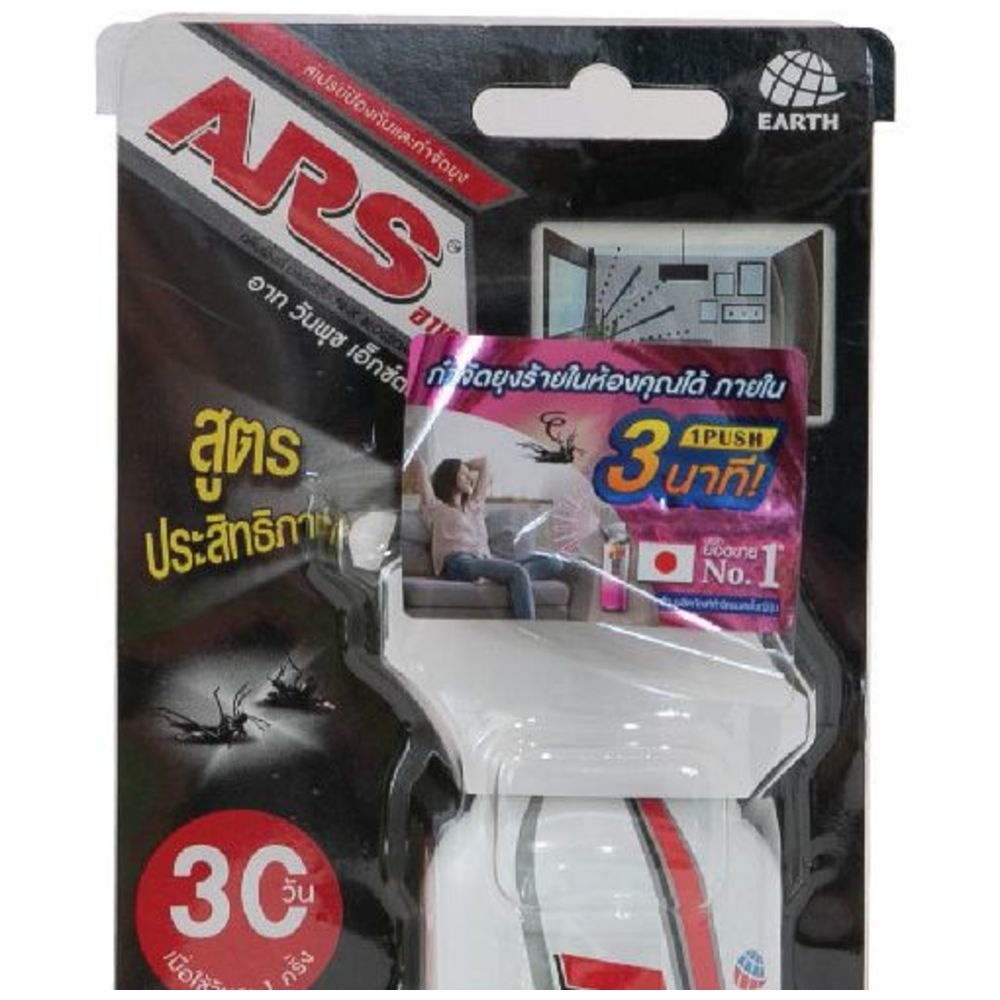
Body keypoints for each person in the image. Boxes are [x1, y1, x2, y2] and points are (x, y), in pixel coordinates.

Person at [412, 453, 562, 620]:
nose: (470, 478)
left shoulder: (475, 505)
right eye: (463, 475)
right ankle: (526, 627)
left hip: (484, 559)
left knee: (554, 563)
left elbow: (484, 463)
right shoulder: (436, 508)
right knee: (517, 572)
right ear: (450, 478)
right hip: (458, 562)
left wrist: (463, 465)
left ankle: (503, 577)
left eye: (469, 474)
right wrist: (446, 466)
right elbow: (421, 467)